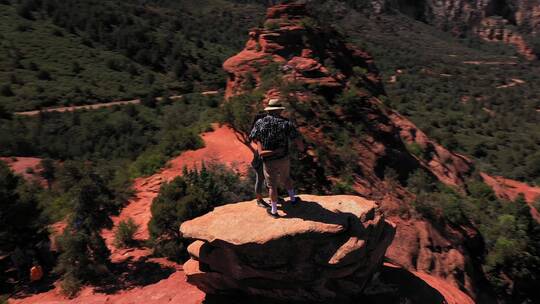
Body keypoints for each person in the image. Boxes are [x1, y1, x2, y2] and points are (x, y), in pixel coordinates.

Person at [249, 98, 304, 218]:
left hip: (268, 160)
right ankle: (293, 199)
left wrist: (262, 147)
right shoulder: (286, 123)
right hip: (283, 157)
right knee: (286, 178)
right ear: (279, 110)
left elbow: (253, 137)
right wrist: (301, 150)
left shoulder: (260, 123)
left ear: (269, 110)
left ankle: (274, 211)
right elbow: (297, 138)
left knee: (272, 185)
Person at [249, 111, 270, 208]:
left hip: (264, 157)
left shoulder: (261, 129)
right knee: (260, 178)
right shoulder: (258, 132)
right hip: (260, 158)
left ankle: (272, 196)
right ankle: (259, 200)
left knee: (268, 178)